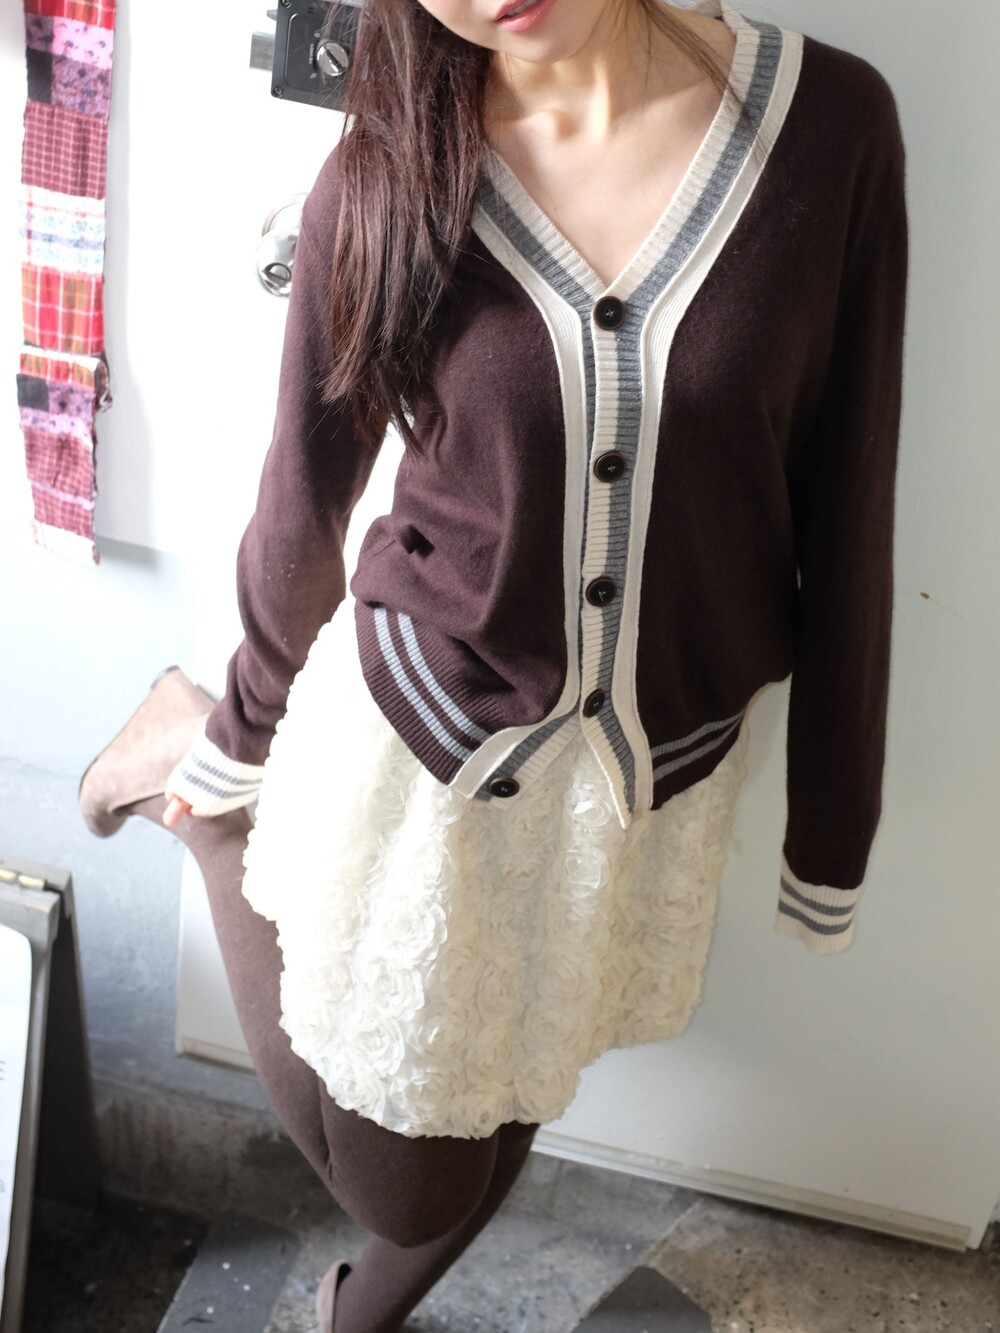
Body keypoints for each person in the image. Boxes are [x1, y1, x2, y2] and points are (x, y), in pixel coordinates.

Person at [80, 0, 908, 1329]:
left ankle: (355, 1316)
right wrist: (241, 725)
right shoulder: (389, 174)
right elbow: (303, 493)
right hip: (433, 753)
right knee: (404, 1182)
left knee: (523, 1072)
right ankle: (204, 798)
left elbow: (850, 501)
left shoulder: (831, 132)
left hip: (648, 775)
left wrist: (834, 819)